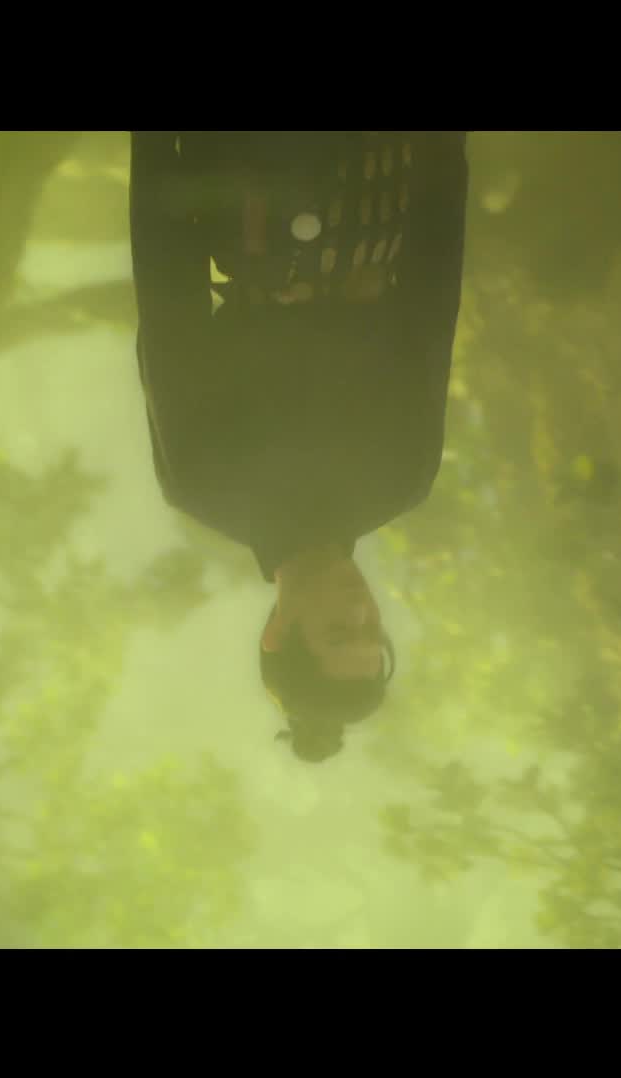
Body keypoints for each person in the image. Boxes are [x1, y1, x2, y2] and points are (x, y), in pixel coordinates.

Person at [129, 131, 468, 762]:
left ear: (278, 630)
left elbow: (168, 296)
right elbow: (433, 292)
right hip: (381, 168)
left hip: (250, 168)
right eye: (371, 628)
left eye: (340, 630)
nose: (362, 608)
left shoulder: (202, 484)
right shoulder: (402, 476)